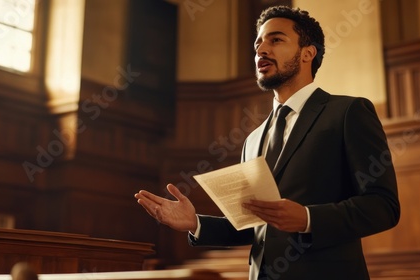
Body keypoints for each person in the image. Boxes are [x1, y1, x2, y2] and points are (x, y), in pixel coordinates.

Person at [135, 5, 400, 280]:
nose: (261, 50)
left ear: (308, 53)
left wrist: (308, 219)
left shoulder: (348, 113)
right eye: (258, 43)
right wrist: (196, 223)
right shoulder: (252, 140)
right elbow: (254, 225)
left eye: (275, 40)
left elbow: (383, 206)